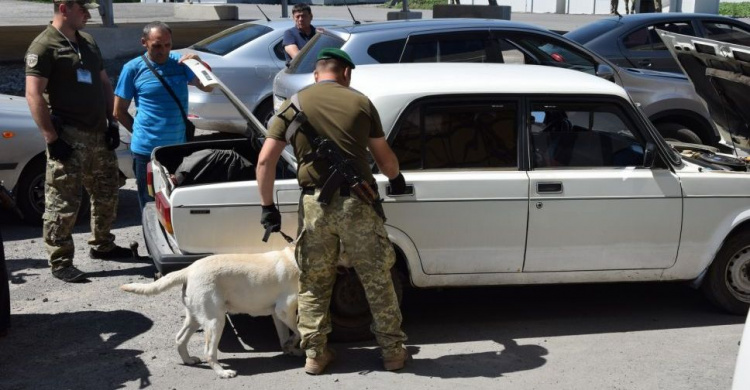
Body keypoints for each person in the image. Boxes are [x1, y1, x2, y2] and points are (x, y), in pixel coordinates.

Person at [256, 48, 410, 375]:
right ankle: (393, 353)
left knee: (314, 282)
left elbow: (265, 161)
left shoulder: (292, 104)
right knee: (378, 280)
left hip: (314, 205)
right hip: (359, 204)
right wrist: (396, 179)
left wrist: (268, 207)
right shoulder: (360, 102)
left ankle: (315, 355)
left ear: (316, 74)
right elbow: (385, 160)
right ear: (346, 74)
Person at [25, 0, 132, 283]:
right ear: (64, 7)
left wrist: (111, 122)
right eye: (84, 9)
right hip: (69, 136)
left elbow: (104, 83)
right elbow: (33, 94)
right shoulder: (44, 46)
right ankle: (61, 260)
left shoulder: (87, 41)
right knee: (63, 202)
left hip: (98, 133)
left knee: (107, 192)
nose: (88, 14)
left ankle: (103, 245)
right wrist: (51, 137)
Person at [114, 21, 213, 212]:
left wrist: (199, 63)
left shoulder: (180, 63)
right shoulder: (132, 69)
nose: (163, 51)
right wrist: (141, 133)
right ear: (144, 42)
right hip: (146, 152)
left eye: (168, 45)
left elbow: (207, 86)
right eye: (157, 46)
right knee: (150, 205)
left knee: (177, 203)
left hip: (177, 148)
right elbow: (119, 111)